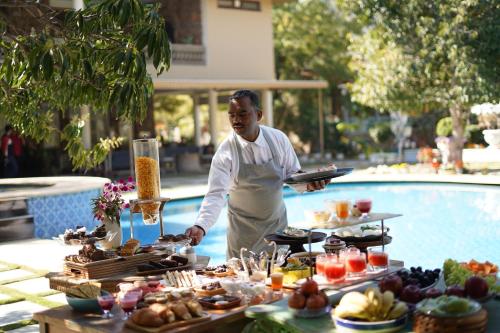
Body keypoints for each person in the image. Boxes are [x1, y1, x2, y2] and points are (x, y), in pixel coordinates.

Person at [185, 90, 327, 258]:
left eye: (242, 114)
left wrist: (310, 184)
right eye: (231, 115)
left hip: (278, 234)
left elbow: (293, 175)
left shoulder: (278, 139)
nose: (236, 120)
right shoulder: (226, 152)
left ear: (258, 114)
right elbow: (216, 194)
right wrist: (201, 226)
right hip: (243, 241)